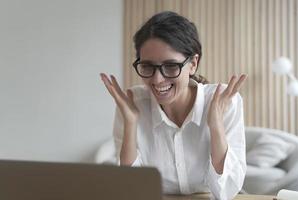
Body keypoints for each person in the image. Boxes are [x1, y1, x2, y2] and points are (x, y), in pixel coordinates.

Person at [100, 11, 247, 200]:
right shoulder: (132, 105)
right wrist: (131, 123)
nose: (157, 79)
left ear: (193, 64)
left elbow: (226, 191)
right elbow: (131, 190)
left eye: (170, 66)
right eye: (147, 66)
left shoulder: (224, 100)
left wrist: (215, 125)